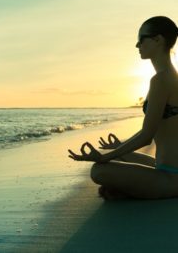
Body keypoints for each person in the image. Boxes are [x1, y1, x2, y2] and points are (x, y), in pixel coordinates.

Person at [68, 16, 178, 200]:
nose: (137, 45)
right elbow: (153, 129)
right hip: (165, 166)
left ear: (158, 40)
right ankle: (129, 188)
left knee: (98, 170)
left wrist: (105, 157)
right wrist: (120, 147)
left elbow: (146, 136)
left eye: (141, 39)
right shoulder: (169, 77)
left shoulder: (161, 80)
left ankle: (131, 189)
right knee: (117, 156)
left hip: (172, 177)